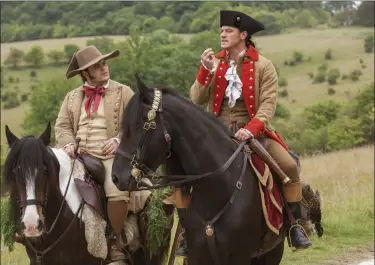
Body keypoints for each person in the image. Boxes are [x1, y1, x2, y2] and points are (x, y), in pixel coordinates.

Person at [175, 10, 312, 256]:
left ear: (244, 35)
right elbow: (196, 99)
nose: (223, 35)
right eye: (221, 32)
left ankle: (294, 225)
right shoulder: (214, 63)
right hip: (215, 135)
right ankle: (186, 231)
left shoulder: (264, 66)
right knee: (181, 174)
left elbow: (268, 106)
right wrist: (205, 71)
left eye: (228, 31)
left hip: (254, 133)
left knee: (289, 167)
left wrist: (250, 130)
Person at [55, 45, 135, 261]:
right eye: (97, 66)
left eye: (104, 63)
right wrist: (68, 144)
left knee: (116, 190)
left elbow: (136, 124)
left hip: (109, 157)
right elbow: (62, 126)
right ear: (85, 74)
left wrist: (119, 140)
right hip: (77, 155)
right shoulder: (71, 97)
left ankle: (116, 241)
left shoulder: (123, 92)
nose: (103, 68)